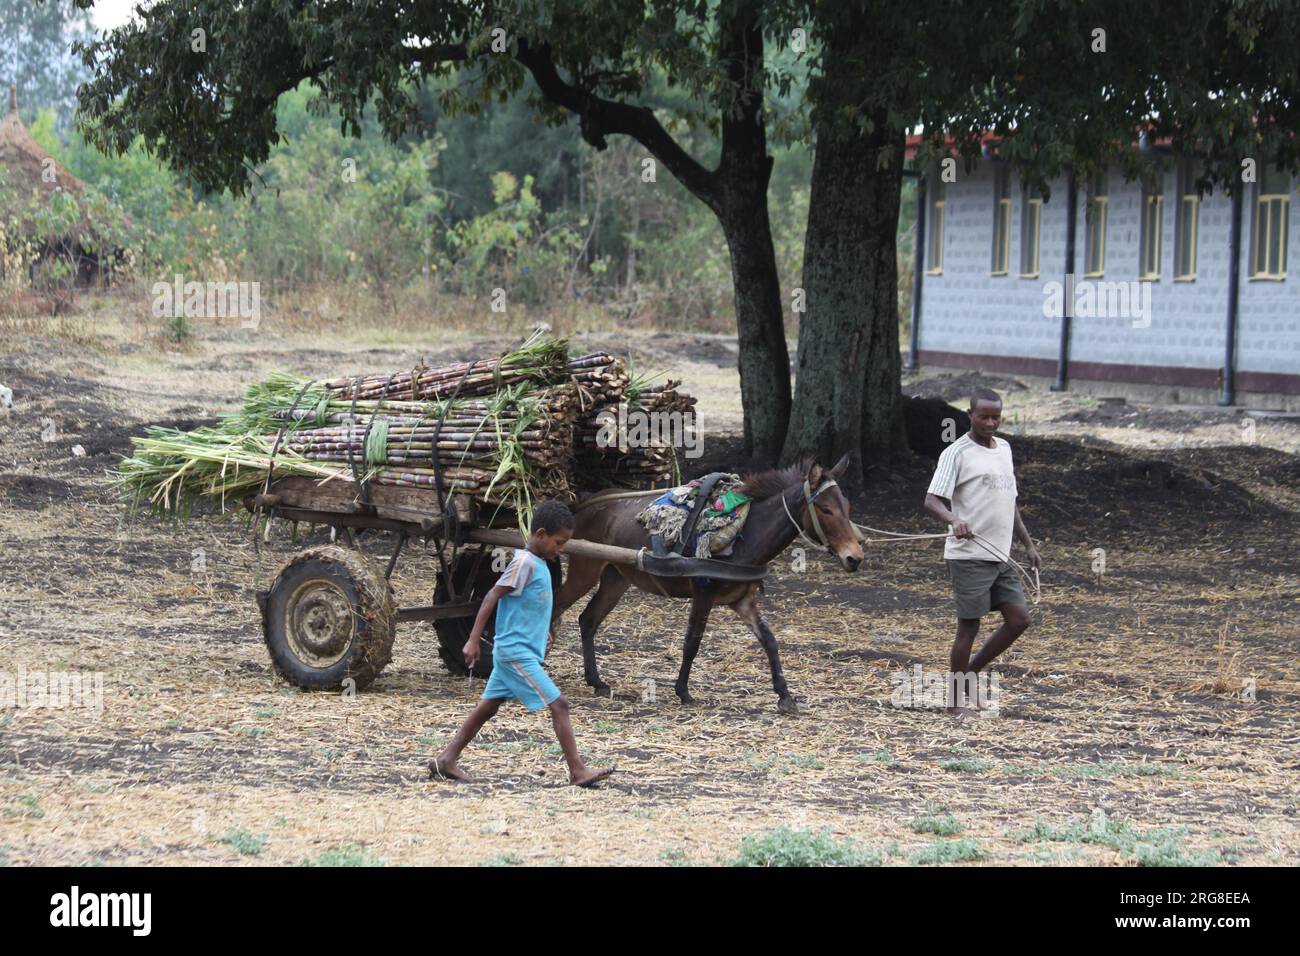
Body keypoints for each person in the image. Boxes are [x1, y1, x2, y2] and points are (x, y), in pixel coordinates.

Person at [429, 500, 615, 787]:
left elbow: (530, 606)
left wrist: (543, 632)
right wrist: (472, 639)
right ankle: (578, 771)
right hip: (515, 654)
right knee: (560, 705)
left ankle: (446, 759)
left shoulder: (537, 564)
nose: (561, 550)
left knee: (487, 708)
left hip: (517, 651)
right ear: (540, 534)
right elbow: (492, 595)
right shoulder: (524, 563)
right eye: (559, 542)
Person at [924, 387, 1042, 715]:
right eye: (984, 416)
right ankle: (954, 701)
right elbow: (931, 500)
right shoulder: (957, 453)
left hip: (1000, 555)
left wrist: (1029, 545)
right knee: (969, 626)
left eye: (996, 417)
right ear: (970, 416)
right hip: (969, 555)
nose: (991, 423)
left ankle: (970, 674)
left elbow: (1011, 503)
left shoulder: (1004, 448)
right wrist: (954, 519)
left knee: (1019, 620)